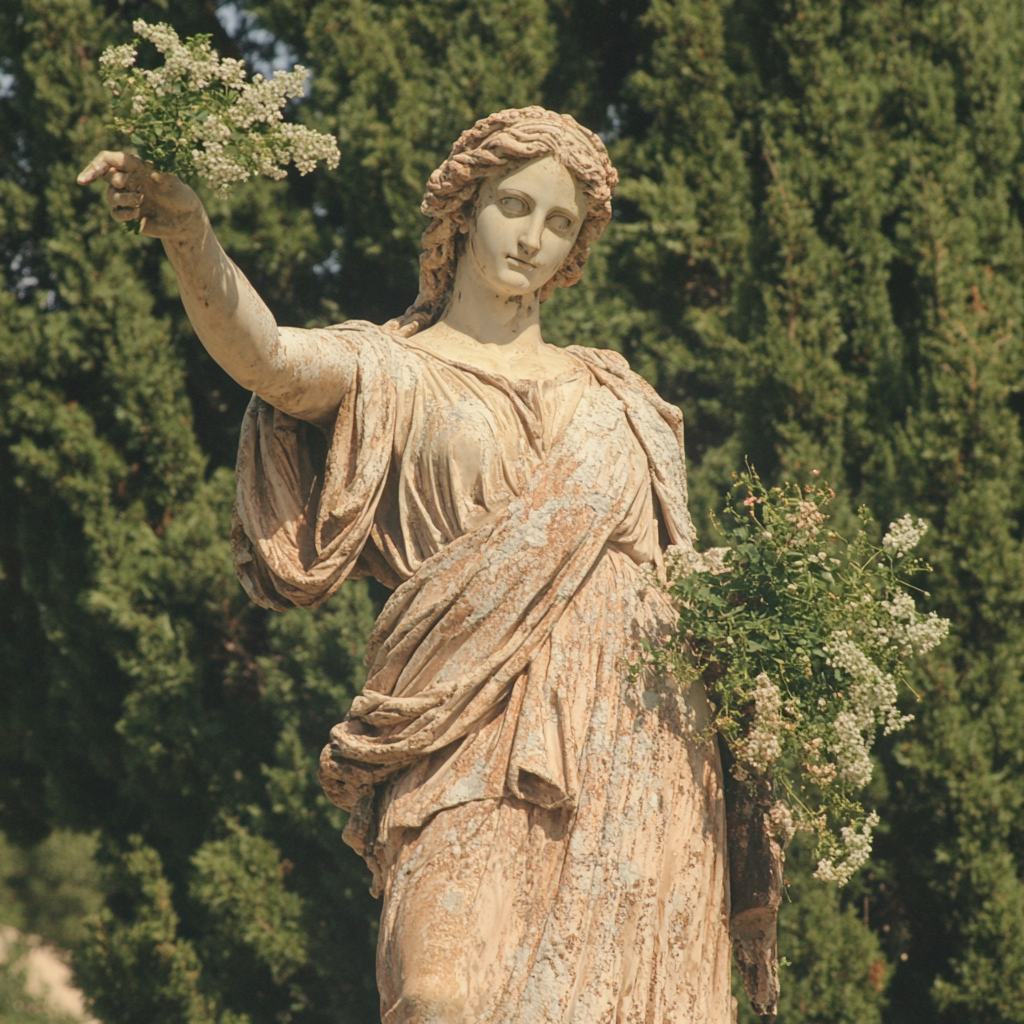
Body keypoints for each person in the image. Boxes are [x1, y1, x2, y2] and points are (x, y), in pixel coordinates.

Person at [77, 106, 733, 1024]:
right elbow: (267, 358)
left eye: (561, 224)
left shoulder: (618, 395)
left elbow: (677, 578)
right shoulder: (391, 369)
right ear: (465, 207)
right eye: (516, 206)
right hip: (459, 721)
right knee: (437, 994)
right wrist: (191, 233)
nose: (533, 239)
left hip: (637, 736)